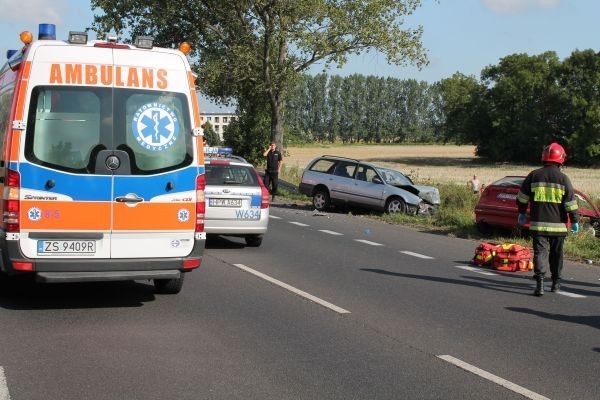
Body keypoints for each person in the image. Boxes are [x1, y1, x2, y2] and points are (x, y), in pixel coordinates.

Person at [516, 142, 579, 296]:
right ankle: (556, 284)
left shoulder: (533, 175)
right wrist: (575, 220)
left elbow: (522, 198)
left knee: (540, 253)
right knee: (557, 254)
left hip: (538, 225)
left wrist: (522, 212)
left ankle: (540, 284)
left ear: (544, 158)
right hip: (558, 227)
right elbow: (570, 203)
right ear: (561, 160)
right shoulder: (564, 179)